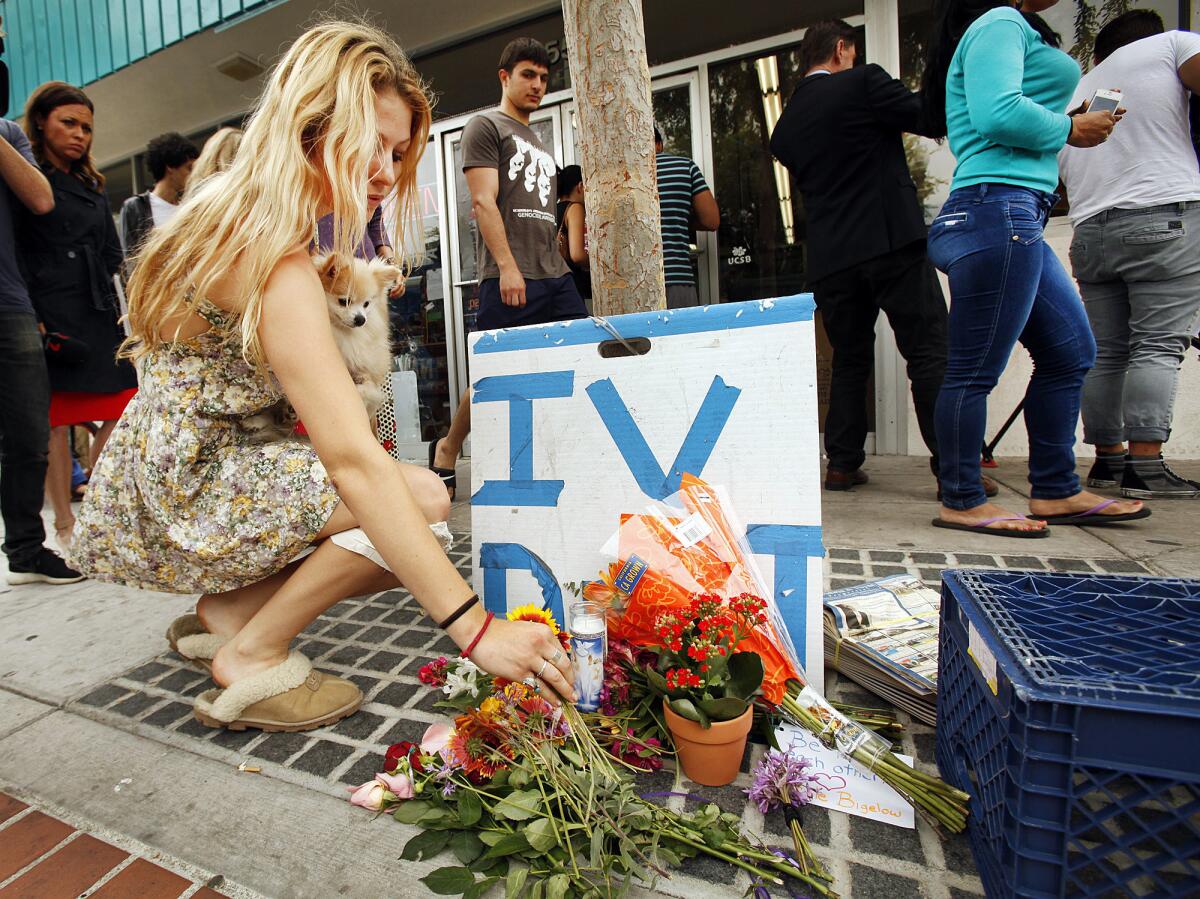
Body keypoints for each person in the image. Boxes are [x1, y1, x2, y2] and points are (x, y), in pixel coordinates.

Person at [70, 21, 575, 733]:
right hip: (196, 481)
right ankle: (252, 652)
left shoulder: (243, 218)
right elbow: (354, 462)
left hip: (178, 465)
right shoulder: (271, 255)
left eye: (398, 153)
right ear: (311, 123)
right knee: (419, 494)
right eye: (373, 143)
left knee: (376, 486)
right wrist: (476, 628)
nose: (385, 170)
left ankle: (230, 613)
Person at [920, 0, 1147, 536]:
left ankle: (1056, 488)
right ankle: (962, 497)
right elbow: (997, 112)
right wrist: (1069, 129)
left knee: (1071, 352)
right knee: (975, 369)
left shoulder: (1009, 26)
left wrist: (1069, 124)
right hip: (996, 207)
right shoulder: (999, 21)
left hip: (1016, 210)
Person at [771, 20, 984, 499]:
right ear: (843, 49)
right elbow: (930, 117)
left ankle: (842, 464)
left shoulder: (785, 126)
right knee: (929, 351)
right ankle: (953, 469)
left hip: (832, 258)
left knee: (849, 359)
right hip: (891, 240)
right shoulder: (863, 83)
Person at [428, 38, 587, 499]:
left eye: (543, 77)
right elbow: (483, 202)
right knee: (491, 375)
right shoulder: (485, 127)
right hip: (511, 276)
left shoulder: (538, 141)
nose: (537, 85)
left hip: (553, 274)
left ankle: (563, 453)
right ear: (505, 77)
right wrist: (508, 267)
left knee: (579, 354)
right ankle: (449, 446)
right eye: (527, 75)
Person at [1058, 10, 1200, 499]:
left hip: (1090, 230)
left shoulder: (1074, 91)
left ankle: (1109, 462)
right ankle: (1146, 466)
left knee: (1106, 352)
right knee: (1157, 345)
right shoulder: (1171, 45)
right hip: (1162, 215)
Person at [18, 82, 138, 554]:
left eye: (87, 127)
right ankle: (65, 527)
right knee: (57, 421)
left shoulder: (92, 185)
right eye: (68, 123)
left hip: (97, 310)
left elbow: (112, 254)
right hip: (49, 308)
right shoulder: (25, 179)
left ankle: (99, 505)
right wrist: (35, 315)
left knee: (120, 405)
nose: (80, 135)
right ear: (42, 122)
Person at [0, 108, 83, 584]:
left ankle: (26, 549)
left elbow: (41, 199)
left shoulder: (9, 134)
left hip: (9, 303)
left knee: (29, 435)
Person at [654, 124, 718, 309]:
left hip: (633, 283)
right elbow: (711, 220)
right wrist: (679, 219)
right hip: (677, 277)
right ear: (659, 144)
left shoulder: (619, 177)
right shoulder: (684, 167)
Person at [118, 132, 199, 261]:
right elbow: (131, 261)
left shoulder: (189, 208)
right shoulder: (135, 207)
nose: (193, 175)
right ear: (170, 167)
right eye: (189, 168)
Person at [555, 164, 590, 307]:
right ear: (580, 186)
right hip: (570, 284)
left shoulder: (552, 208)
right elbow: (577, 255)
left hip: (553, 280)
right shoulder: (575, 208)